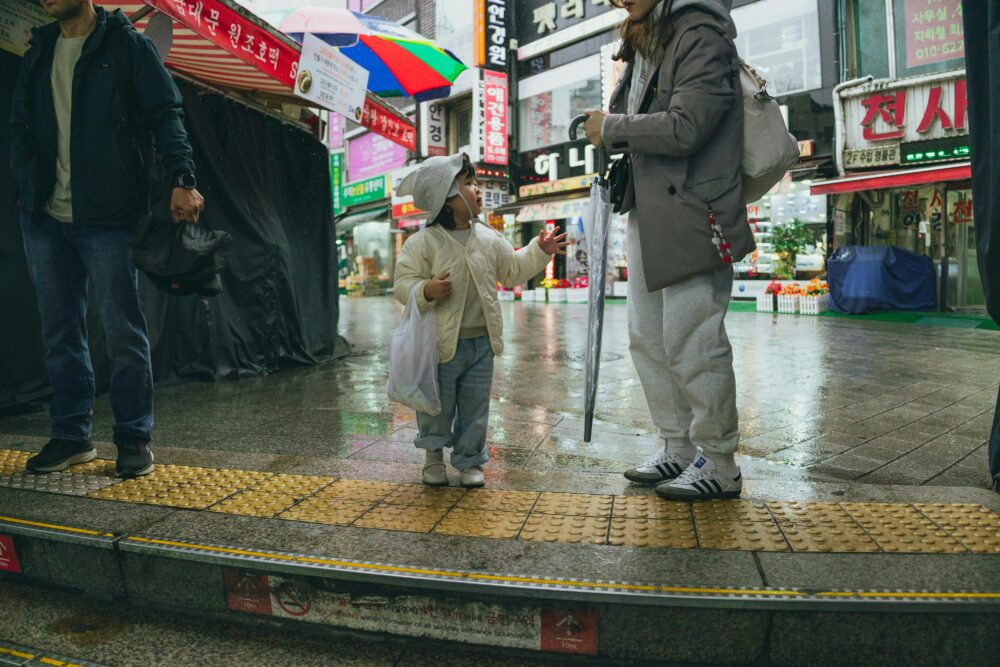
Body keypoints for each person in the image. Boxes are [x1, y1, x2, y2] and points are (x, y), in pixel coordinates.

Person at [9, 1, 204, 477]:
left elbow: (166, 112)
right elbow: (19, 127)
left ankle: (133, 437)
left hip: (109, 214)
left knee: (122, 329)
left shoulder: (125, 45)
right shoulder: (39, 52)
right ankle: (71, 435)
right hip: (45, 217)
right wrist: (26, 183)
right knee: (60, 333)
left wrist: (182, 176)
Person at [581, 0, 753, 500]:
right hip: (650, 207)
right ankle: (678, 446)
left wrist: (611, 128)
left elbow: (686, 126)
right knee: (649, 338)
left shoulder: (701, 34)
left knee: (693, 339)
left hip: (695, 211)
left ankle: (719, 462)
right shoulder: (644, 40)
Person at [393, 154, 568, 487]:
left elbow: (512, 270)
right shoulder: (424, 242)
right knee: (436, 406)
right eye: (468, 183)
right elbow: (402, 283)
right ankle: (433, 456)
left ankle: (470, 460)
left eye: (476, 183)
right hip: (440, 346)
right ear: (446, 196)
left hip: (482, 344)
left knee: (475, 407)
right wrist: (426, 289)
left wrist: (538, 250)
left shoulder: (488, 237)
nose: (478, 190)